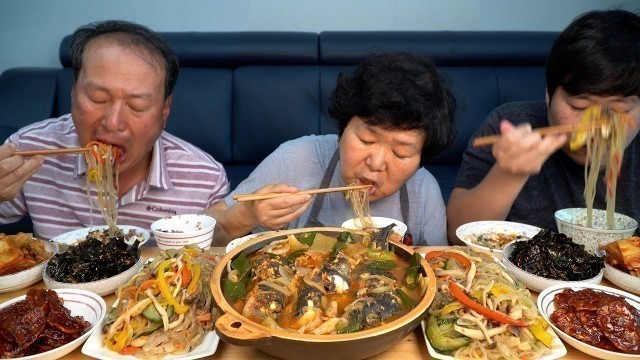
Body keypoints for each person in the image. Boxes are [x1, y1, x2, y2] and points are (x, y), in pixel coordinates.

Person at [0, 20, 229, 240]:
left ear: (164, 110)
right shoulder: (28, 152)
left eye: (136, 105)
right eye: (98, 98)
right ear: (73, 93)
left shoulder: (205, 181)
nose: (113, 122)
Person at [207, 52, 457, 246]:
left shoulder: (423, 191)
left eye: (400, 152)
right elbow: (207, 234)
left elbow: (440, 269)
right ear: (343, 128)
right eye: (367, 140)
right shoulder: (294, 159)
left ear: (421, 158)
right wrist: (246, 215)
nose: (376, 162)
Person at [446, 10, 640, 245]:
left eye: (620, 111)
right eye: (579, 106)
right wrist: (508, 174)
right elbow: (457, 235)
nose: (595, 128)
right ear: (549, 94)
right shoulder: (512, 126)